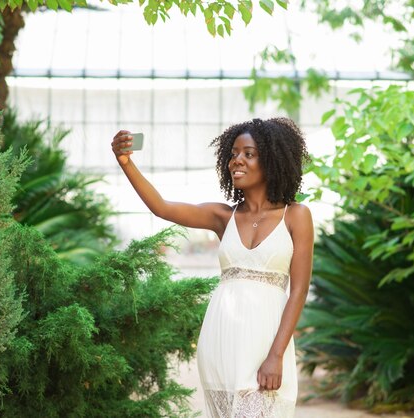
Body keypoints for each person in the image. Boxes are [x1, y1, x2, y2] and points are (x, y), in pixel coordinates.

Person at [110, 117, 314, 417]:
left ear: (271, 160)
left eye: (248, 153)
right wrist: (125, 161)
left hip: (266, 342)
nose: (237, 161)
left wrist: (276, 355)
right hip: (221, 339)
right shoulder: (223, 217)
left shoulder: (296, 215)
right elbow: (162, 207)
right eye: (233, 154)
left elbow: (299, 290)